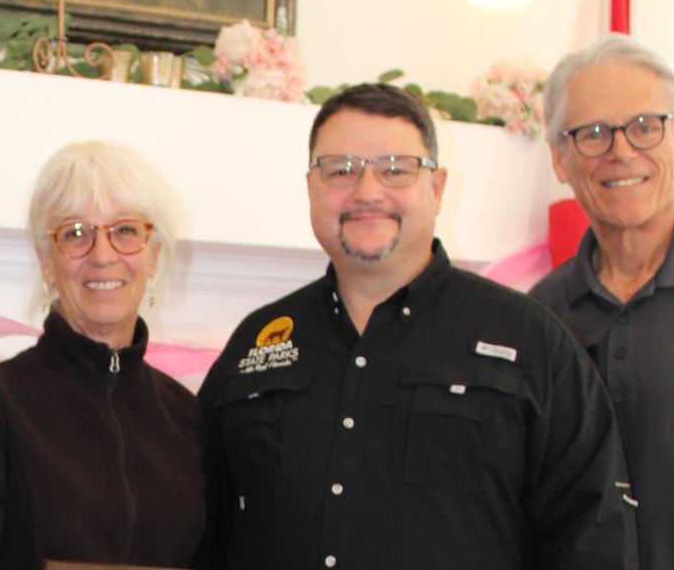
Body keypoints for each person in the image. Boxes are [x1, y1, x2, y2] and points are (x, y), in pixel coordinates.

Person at [198, 84, 637, 569]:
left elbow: (595, 535)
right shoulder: (255, 345)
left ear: (437, 187)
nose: (367, 191)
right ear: (311, 188)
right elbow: (200, 525)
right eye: (341, 169)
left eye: (395, 169)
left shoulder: (532, 340)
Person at [529, 35, 674, 569]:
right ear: (561, 158)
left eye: (646, 126)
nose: (621, 151)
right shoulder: (540, 313)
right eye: (593, 134)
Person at [0, 141, 205, 570]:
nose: (102, 256)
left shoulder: (189, 419)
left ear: (153, 256)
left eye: (125, 231)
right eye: (75, 233)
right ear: (47, 260)